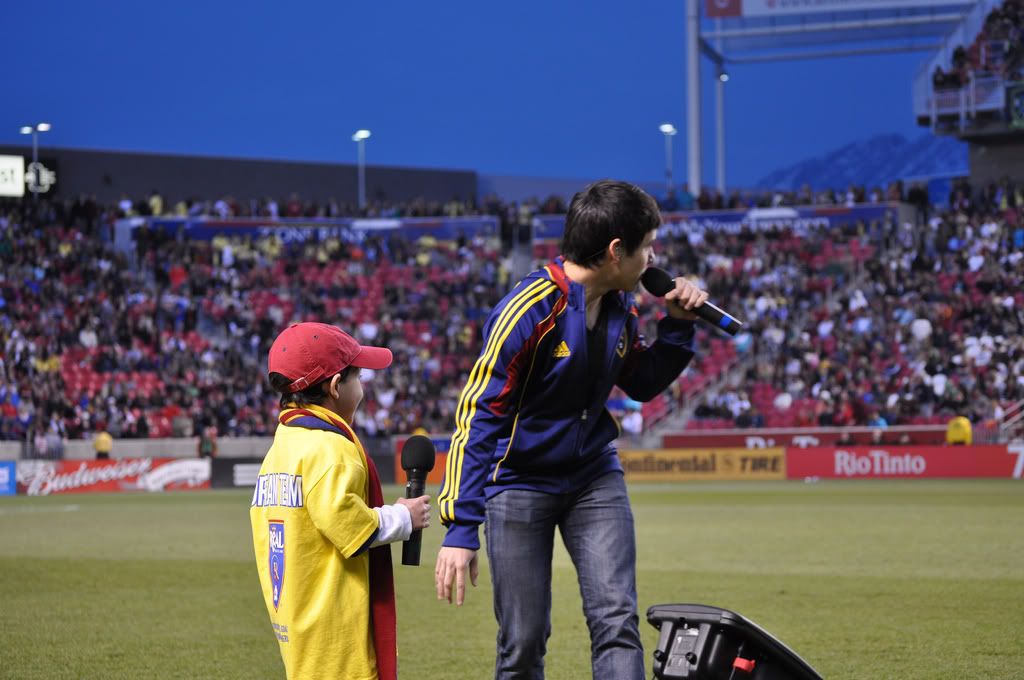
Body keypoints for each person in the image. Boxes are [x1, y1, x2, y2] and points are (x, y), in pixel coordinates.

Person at [434, 180, 708, 679]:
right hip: (517, 482)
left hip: (593, 478)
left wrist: (678, 325)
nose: (653, 259)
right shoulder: (527, 311)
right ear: (615, 251)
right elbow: (478, 416)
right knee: (522, 641)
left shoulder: (622, 304)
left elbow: (642, 381)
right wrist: (460, 526)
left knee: (617, 622)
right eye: (646, 247)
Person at [250, 322, 431, 680]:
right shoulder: (330, 447)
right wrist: (403, 516)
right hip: (334, 630)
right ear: (335, 387)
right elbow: (351, 528)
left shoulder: (283, 445)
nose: (362, 388)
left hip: (296, 620)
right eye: (358, 377)